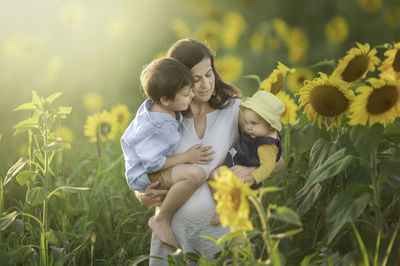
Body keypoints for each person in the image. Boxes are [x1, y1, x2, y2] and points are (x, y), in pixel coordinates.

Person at [133, 39, 284, 265]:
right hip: (174, 239)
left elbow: (277, 161)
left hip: (224, 235)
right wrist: (143, 195)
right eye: (195, 79)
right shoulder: (162, 119)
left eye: (209, 74)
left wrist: (248, 172)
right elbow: (141, 172)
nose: (205, 84)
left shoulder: (235, 111)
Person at [121, 57, 215, 249]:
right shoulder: (159, 127)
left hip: (146, 168)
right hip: (146, 174)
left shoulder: (158, 105)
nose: (191, 97)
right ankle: (162, 219)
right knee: (195, 174)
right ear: (165, 99)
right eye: (186, 94)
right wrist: (186, 157)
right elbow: (153, 163)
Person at [210, 90, 285, 225]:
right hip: (237, 167)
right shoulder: (257, 133)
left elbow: (267, 167)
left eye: (253, 124)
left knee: (217, 175)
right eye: (246, 122)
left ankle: (225, 211)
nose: (248, 127)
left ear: (269, 125)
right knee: (216, 176)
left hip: (246, 179)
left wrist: (250, 177)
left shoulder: (266, 145)